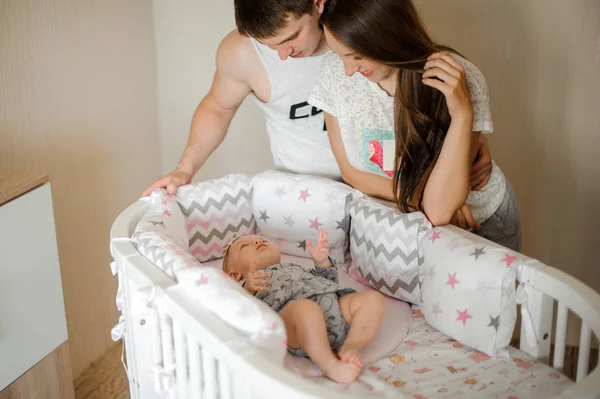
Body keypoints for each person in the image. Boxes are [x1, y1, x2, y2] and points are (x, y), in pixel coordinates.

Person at [142, 0, 493, 231]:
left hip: (392, 194)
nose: (282, 55)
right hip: (308, 199)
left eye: (292, 37)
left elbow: (421, 90)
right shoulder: (241, 54)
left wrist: (467, 146)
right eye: (269, 45)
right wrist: (184, 168)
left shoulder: (362, 23)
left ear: (319, 4)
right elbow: (217, 107)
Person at [308, 0, 521, 251]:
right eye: (340, 55)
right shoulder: (333, 76)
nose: (348, 70)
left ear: (388, 36)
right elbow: (351, 173)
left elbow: (439, 211)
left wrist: (462, 115)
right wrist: (423, 198)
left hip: (478, 222)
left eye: (356, 56)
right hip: (405, 225)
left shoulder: (457, 78)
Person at [222, 229, 385, 384]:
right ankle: (330, 365)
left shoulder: (293, 267)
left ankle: (351, 346)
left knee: (373, 299)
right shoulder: (246, 286)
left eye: (262, 239)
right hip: (296, 324)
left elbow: (327, 285)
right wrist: (248, 288)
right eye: (244, 246)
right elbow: (243, 310)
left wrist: (322, 263)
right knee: (306, 309)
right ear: (235, 276)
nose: (258, 240)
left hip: (332, 308)